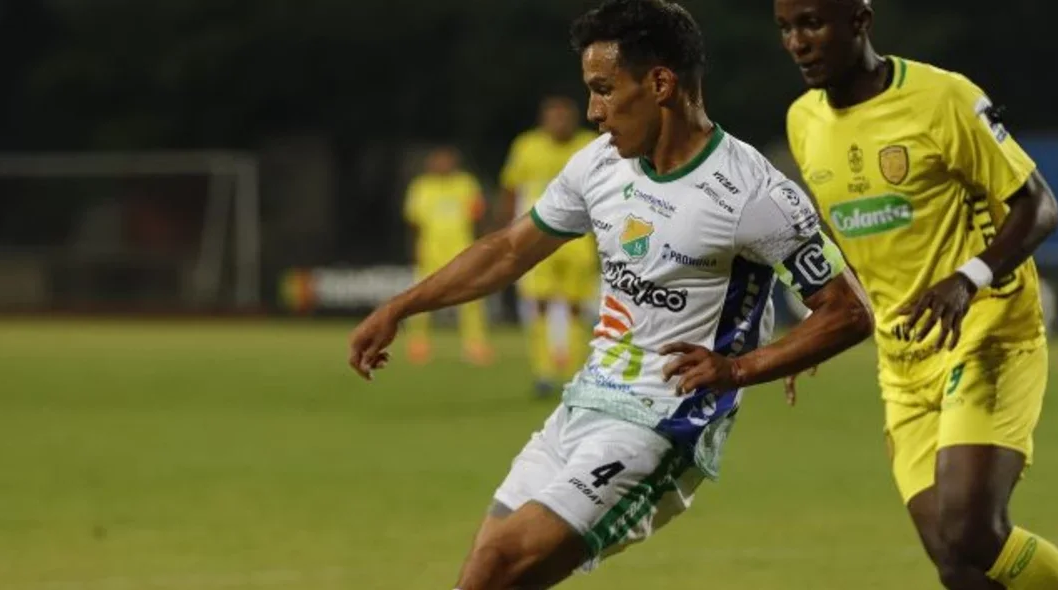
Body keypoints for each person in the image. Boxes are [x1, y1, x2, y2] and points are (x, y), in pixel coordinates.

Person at [348, 1, 873, 587]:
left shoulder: (751, 193)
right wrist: (402, 306)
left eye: (603, 90)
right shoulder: (599, 165)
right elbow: (508, 250)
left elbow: (849, 310)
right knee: (485, 572)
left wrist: (743, 367)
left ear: (660, 83)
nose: (593, 112)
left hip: (663, 422)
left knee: (502, 563)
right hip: (585, 403)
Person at [774, 0, 1058, 588]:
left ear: (860, 21)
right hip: (903, 358)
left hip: (987, 332)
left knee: (974, 530)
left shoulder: (943, 97)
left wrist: (968, 277)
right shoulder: (803, 121)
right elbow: (862, 248)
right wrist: (818, 333)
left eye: (812, 23)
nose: (798, 42)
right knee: (954, 561)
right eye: (787, 28)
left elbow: (1039, 206)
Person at [496, 96, 602, 397]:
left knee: (575, 307)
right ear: (543, 120)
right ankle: (543, 372)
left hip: (579, 239)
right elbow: (511, 188)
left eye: (564, 117)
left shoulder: (589, 144)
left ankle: (576, 373)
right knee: (539, 304)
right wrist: (506, 231)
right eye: (553, 117)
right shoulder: (526, 146)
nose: (559, 123)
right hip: (535, 236)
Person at [401, 145, 493, 366]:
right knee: (421, 298)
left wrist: (482, 247)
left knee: (471, 299)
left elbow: (478, 219)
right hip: (430, 252)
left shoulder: (466, 184)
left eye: (447, 160)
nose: (443, 164)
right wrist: (414, 250)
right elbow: (414, 224)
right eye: (438, 160)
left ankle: (475, 344)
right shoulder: (421, 187)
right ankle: (418, 344)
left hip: (462, 251)